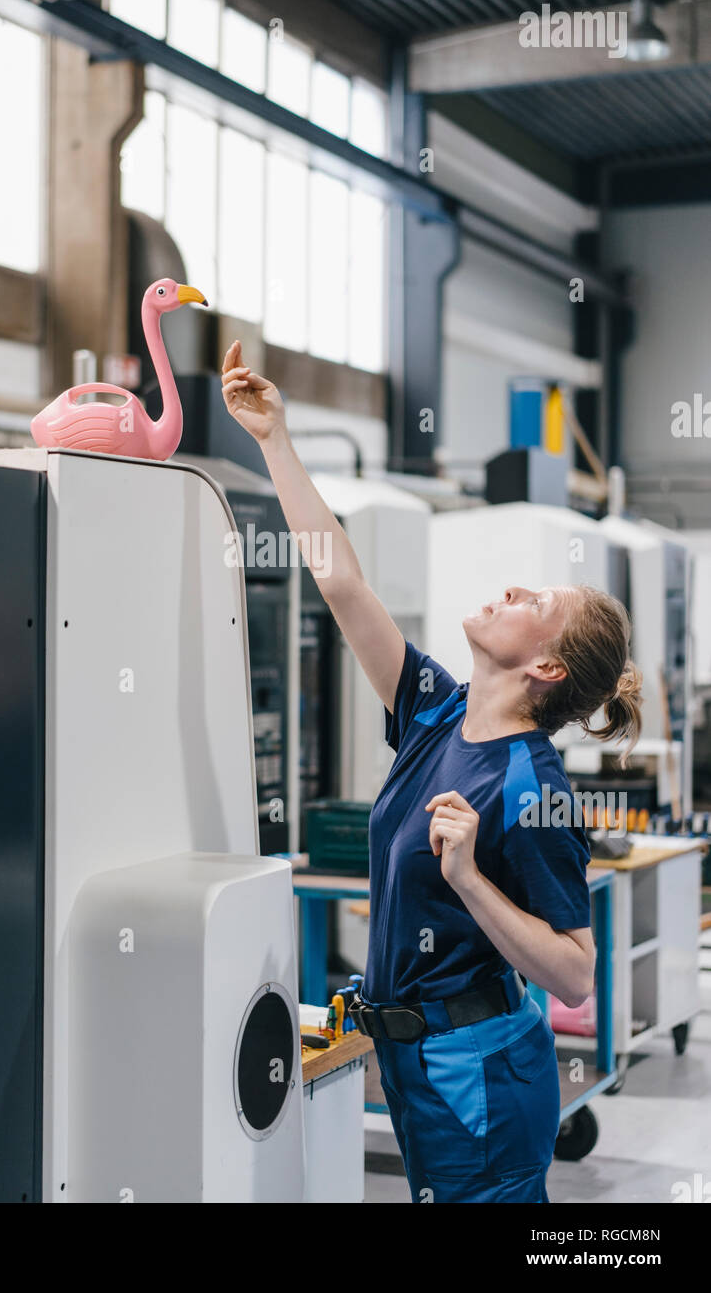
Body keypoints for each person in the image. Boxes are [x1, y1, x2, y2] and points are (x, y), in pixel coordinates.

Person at [220, 340, 643, 1204]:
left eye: (537, 605)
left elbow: (571, 972)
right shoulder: (435, 713)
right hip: (413, 1060)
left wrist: (468, 878)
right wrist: (273, 442)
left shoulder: (535, 791)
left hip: (476, 1075)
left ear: (548, 669)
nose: (513, 591)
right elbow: (342, 586)